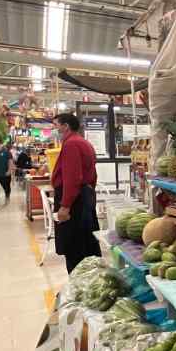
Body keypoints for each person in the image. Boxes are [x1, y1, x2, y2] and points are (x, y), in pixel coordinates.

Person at [51, 113, 100, 272]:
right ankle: (91, 280)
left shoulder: (71, 144)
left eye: (56, 125)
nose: (55, 129)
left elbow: (72, 178)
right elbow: (92, 173)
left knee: (73, 246)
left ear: (65, 126)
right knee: (87, 243)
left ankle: (77, 284)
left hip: (74, 202)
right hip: (84, 197)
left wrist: (65, 206)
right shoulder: (84, 142)